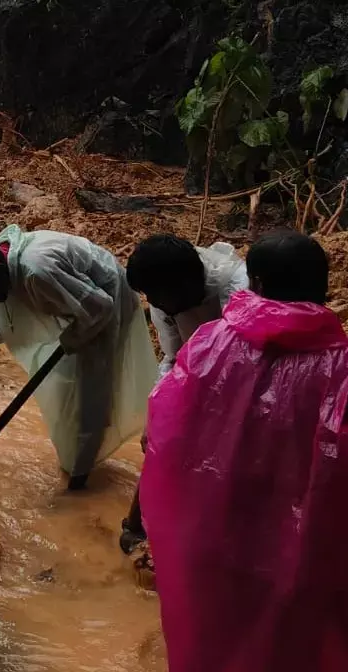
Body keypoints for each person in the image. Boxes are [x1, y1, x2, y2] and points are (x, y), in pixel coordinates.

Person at [140, 231, 348, 672]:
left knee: (213, 642)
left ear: (257, 283)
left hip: (214, 545)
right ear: (324, 288)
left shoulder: (207, 345)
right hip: (303, 560)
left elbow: (166, 448)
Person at [0, 226, 157, 489]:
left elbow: (99, 308)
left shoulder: (38, 273)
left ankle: (79, 480)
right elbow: (4, 325)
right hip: (79, 304)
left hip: (108, 302)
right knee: (65, 388)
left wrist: (69, 341)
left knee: (91, 393)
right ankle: (77, 459)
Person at [118, 234, 248, 553]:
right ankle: (138, 526)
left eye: (159, 296)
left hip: (244, 383)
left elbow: (248, 356)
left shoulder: (237, 288)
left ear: (188, 283)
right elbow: (173, 357)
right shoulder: (166, 299)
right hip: (196, 375)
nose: (157, 305)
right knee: (162, 439)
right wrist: (158, 414)